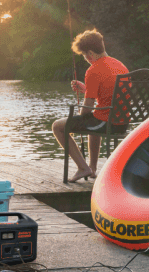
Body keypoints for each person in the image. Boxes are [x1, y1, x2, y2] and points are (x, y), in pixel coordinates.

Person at [50, 29, 129, 182]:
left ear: (91, 53)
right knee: (94, 119)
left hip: (106, 124)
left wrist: (79, 114)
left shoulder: (93, 70)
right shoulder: (120, 66)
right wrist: (85, 89)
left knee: (57, 126)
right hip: (122, 123)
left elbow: (86, 110)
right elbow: (108, 96)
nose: (86, 59)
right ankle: (92, 169)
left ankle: (82, 168)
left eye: (85, 55)